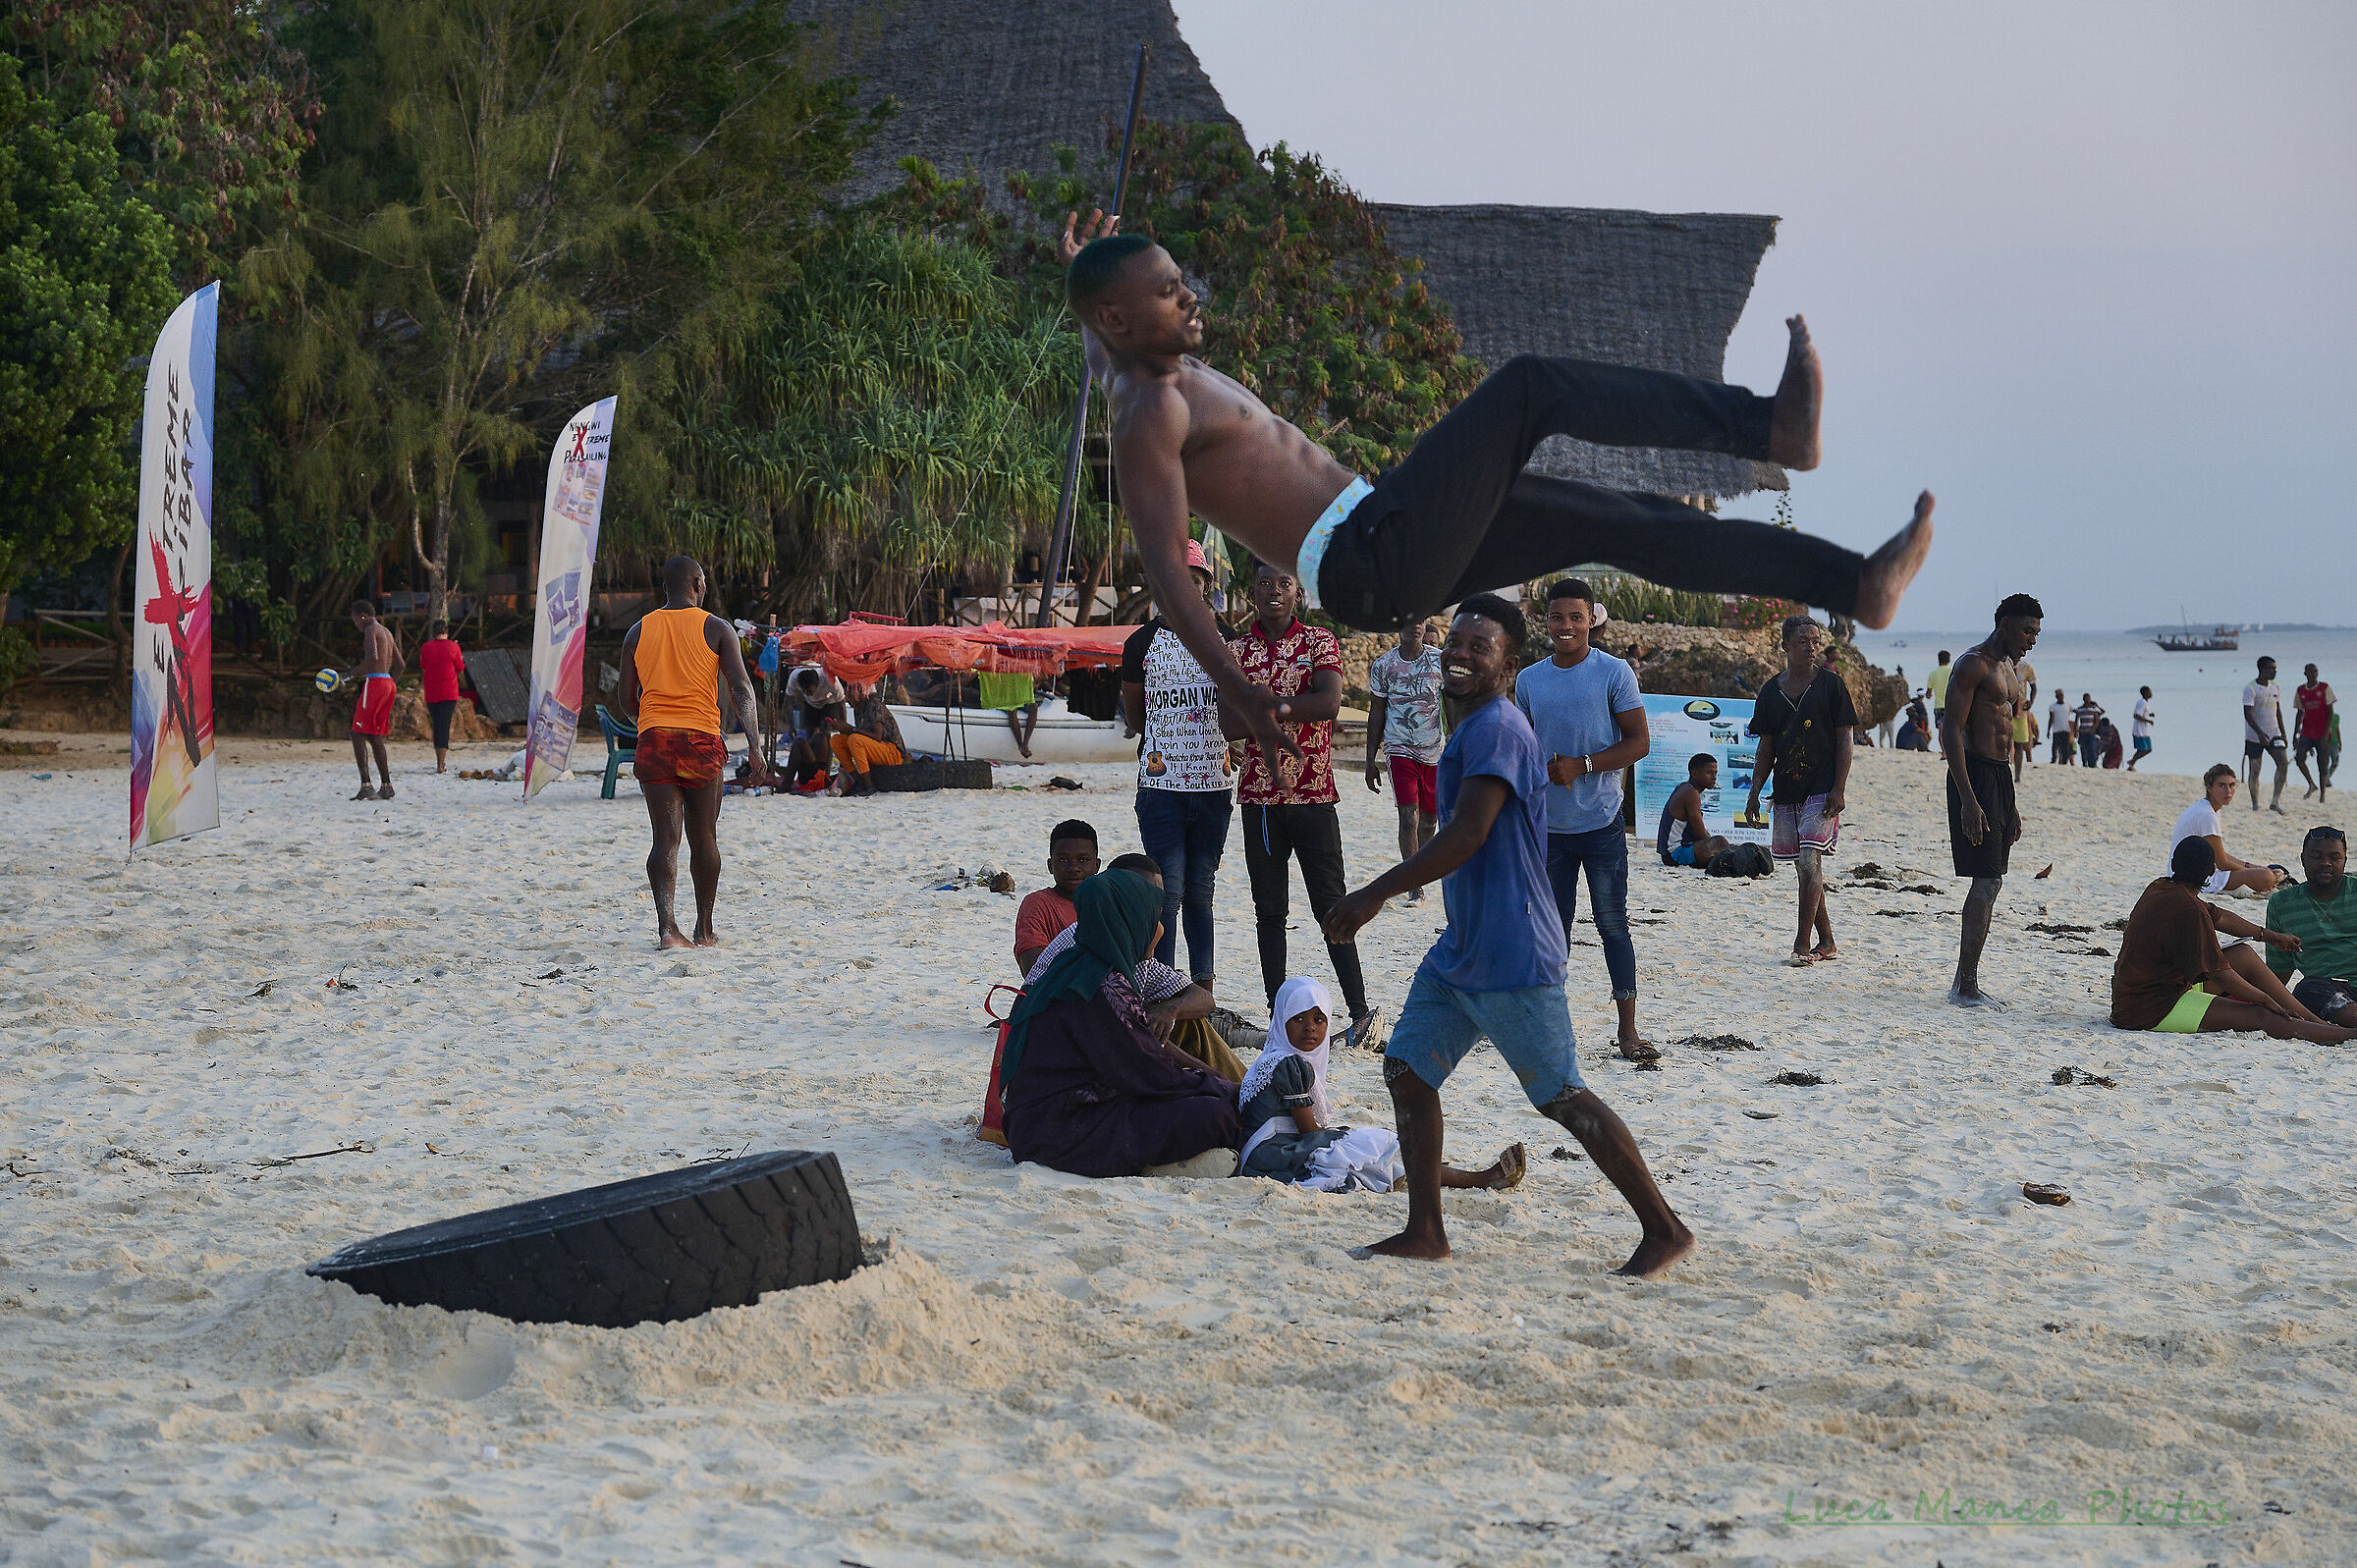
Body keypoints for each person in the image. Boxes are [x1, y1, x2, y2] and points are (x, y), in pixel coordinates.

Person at [1056, 212, 1935, 775]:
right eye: (1169, 292)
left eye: (1182, 281)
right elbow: (1169, 569)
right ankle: (1764, 431)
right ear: (1120, 317)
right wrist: (1236, 683)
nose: (1191, 297)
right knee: (1527, 387)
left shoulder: (1134, 358)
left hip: (1385, 525)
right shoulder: (1146, 412)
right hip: (1368, 558)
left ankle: (1854, 584)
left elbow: (1101, 335)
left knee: (1628, 521)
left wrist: (1083, 265)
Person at [1320, 595, 1692, 1276]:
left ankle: (1665, 1229)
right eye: (1454, 643)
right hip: (1462, 949)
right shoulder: (1474, 724)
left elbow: (1467, 833)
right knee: (1406, 1069)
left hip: (1515, 949)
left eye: (1478, 646)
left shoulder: (1496, 726)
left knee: (1561, 1095)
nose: (1460, 655)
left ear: (1508, 664)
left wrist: (1374, 892)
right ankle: (1427, 1230)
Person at [1223, 560, 1379, 1049]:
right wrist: (1291, 706)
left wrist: (1267, 710)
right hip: (1260, 799)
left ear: (1297, 591)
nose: (1273, 591)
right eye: (1264, 583)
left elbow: (1329, 703)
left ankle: (1358, 1011)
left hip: (1313, 795)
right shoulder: (1236, 649)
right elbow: (1228, 723)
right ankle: (1277, 1014)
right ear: (1252, 591)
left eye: (1283, 583)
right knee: (1269, 911)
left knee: (1331, 906)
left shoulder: (1318, 641)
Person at [998, 869, 1242, 1178]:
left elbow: (1147, 1053)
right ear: (1128, 922)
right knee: (1215, 1114)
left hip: (1038, 1123)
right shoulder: (1103, 986)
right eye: (1151, 919)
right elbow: (1153, 1072)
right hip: (1060, 1134)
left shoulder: (1077, 965)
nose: (1160, 931)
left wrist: (1216, 1080)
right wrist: (1227, 1090)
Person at [1515, 577, 1656, 1058]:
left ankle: (1627, 1031)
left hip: (1601, 824)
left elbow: (1640, 742)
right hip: (1548, 829)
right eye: (1558, 617)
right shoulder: (1529, 680)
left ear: (1592, 619)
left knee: (1612, 923)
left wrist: (1584, 765)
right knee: (1553, 932)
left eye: (1576, 617)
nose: (1566, 626)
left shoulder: (1614, 672)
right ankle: (1550, 1030)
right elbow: (1523, 748)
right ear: (1546, 620)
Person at [1238, 976, 1523, 1192]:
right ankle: (1480, 1179)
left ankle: (1453, 1176)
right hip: (1274, 1156)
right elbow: (1310, 1132)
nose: (1310, 1027)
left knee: (1377, 1152)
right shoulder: (1289, 1065)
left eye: (1318, 1019)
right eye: (1298, 1019)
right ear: (1281, 1021)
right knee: (1377, 1145)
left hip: (1277, 1150)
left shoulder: (1278, 1058)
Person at [616, 555, 767, 948]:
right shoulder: (717, 628)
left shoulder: (637, 630)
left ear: (665, 587)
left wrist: (649, 723)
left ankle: (667, 929)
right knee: (705, 838)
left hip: (654, 740)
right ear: (698, 584)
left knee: (664, 839)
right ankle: (704, 929)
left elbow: (625, 699)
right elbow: (742, 689)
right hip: (701, 742)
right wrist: (754, 744)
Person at [1121, 539, 1234, 991]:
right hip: (1161, 788)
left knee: (1201, 894)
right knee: (1166, 895)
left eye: (1194, 579)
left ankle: (1202, 991)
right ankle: (1164, 988)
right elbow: (1135, 717)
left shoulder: (1224, 640)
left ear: (1205, 586)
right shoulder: (1140, 644)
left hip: (1213, 785)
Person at [2110, 838, 2354, 1043]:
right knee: (2262, 1016)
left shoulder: (2162, 887)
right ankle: (2347, 1034)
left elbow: (2221, 917)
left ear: (2174, 864)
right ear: (2211, 871)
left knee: (2243, 954)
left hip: (2148, 991)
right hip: (2151, 1009)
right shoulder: (2189, 909)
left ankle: (2316, 1021)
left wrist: (2271, 937)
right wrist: (2265, 999)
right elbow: (2220, 974)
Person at [1024, 853, 1242, 1081]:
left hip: (1096, 1054)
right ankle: (1247, 1095)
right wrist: (1212, 1076)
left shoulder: (1124, 941)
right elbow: (1133, 1038)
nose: (1153, 908)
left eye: (1157, 899)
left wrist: (1171, 1009)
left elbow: (1203, 999)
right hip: (1069, 1071)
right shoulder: (1092, 951)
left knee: (1187, 1021)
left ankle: (1248, 1091)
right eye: (1143, 896)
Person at [1942, 594, 2041, 1006]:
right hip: (1974, 776)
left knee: (1994, 879)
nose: (2030, 640)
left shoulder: (2010, 670)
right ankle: (1965, 985)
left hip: (2000, 779)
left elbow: (2008, 741)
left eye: (2035, 633)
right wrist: (1968, 799)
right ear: (2002, 623)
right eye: (2025, 631)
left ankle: (1968, 982)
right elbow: (1951, 733)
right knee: (1986, 881)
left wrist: (2012, 803)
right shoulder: (1973, 664)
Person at [1744, 615, 1858, 965]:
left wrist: (1839, 788)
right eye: (1803, 642)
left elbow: (1845, 740)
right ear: (1785, 646)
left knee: (1810, 861)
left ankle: (1801, 944)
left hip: (1823, 787)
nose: (1811, 648)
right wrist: (1754, 793)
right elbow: (1766, 748)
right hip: (1787, 789)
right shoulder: (1770, 691)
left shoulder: (1831, 685)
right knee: (1805, 869)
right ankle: (1827, 941)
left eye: (1815, 641)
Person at [1365, 615, 1448, 903]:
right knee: (1408, 816)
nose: (1416, 626)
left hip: (1434, 751)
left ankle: (1420, 870)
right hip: (1399, 748)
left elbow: (1453, 705)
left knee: (1429, 820)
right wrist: (1369, 759)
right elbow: (1376, 713)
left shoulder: (1440, 661)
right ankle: (1414, 883)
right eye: (1410, 620)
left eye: (1421, 620)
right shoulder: (1384, 666)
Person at [2265, 827, 2357, 1025]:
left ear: (2345, 860)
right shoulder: (2282, 903)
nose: (2326, 863)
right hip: (2324, 990)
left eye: (2334, 857)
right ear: (2303, 859)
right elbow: (2280, 969)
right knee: (2306, 991)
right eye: (2316, 856)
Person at [2168, 765, 2285, 894]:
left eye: (2232, 785)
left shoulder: (2208, 808)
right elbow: (2221, 862)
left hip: (2190, 872)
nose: (2228, 791)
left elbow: (2219, 854)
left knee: (2264, 872)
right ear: (2209, 787)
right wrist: (2255, 872)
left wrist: (2253, 867)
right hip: (2194, 878)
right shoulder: (2207, 814)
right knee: (2266, 877)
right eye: (2222, 785)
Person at [1014, 819, 1100, 974]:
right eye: (1063, 860)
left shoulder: (1107, 904)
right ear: (1050, 866)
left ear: (1097, 865)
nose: (1073, 868)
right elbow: (1035, 971)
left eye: (1083, 860)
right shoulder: (1037, 904)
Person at [346, 600, 403, 800]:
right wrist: (389, 684)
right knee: (374, 735)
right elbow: (401, 664)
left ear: (362, 615)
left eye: (355, 620)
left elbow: (371, 658)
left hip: (376, 683)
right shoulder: (386, 631)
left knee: (356, 733)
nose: (355, 625)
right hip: (388, 684)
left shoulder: (371, 630)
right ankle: (386, 785)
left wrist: (350, 674)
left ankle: (366, 785)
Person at [821, 682, 908, 796]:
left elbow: (877, 736)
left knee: (854, 739)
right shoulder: (858, 706)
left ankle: (869, 786)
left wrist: (850, 728)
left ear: (859, 693)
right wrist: (842, 727)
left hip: (892, 752)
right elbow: (861, 734)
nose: (847, 699)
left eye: (849, 695)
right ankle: (858, 781)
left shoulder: (873, 703)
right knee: (836, 740)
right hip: (876, 749)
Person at [1657, 753, 1730, 869]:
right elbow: (1700, 833)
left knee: (1721, 846)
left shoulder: (1685, 787)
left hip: (1673, 852)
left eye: (1715, 773)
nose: (1714, 777)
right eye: (1709, 772)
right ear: (1694, 774)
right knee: (1720, 843)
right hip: (1674, 854)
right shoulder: (1690, 793)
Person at [417, 620, 468, 774]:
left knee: (437, 725)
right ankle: (441, 763)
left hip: (432, 692)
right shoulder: (453, 647)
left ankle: (439, 761)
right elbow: (460, 668)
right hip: (449, 692)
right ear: (447, 631)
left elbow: (424, 665)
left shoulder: (426, 647)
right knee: (444, 725)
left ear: (433, 633)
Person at [2244, 657, 2289, 814]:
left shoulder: (2276, 687)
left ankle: (2275, 801)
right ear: (2261, 669)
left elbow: (2278, 711)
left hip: (2274, 733)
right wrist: (2260, 734)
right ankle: (2255, 804)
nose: (2274, 671)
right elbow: (2248, 715)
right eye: (2271, 668)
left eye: (2275, 668)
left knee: (2283, 763)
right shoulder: (2250, 689)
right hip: (2254, 736)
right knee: (2255, 770)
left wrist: (2283, 733)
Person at [2294, 664, 2335, 802]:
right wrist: (2295, 734)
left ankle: (2323, 794)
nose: (2313, 673)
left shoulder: (2324, 688)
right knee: (2299, 757)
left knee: (2322, 763)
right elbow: (2299, 713)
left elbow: (2330, 711)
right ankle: (2311, 784)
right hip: (2307, 731)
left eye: (2316, 671)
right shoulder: (2301, 690)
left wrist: (2326, 732)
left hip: (2322, 732)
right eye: (2310, 671)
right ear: (2305, 673)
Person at [979, 670, 1040, 758]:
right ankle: (1021, 744)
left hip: (1020, 696)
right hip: (1003, 697)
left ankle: (1025, 743)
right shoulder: (998, 666)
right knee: (1012, 709)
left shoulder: (1020, 665)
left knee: (1034, 707)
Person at [1926, 650, 1953, 752]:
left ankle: (1944, 753)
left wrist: (1929, 695)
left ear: (1938, 660)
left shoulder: (1933, 674)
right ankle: (1953, 751)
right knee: (1954, 730)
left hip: (1938, 706)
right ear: (1949, 660)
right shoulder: (1953, 672)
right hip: (1952, 704)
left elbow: (1928, 694)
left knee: (1942, 732)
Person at [2073, 692, 2106, 769]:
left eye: (2089, 698)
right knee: (2083, 748)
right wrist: (2076, 731)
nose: (2087, 700)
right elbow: (2076, 721)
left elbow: (2097, 720)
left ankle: (2092, 764)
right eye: (2086, 698)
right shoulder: (2080, 709)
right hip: (2082, 731)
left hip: (2090, 732)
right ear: (2083, 699)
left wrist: (2093, 729)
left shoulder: (2093, 709)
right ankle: (2084, 763)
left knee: (2091, 748)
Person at [2129, 685, 2157, 771]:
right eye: (2149, 691)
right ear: (2145, 693)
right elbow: (2136, 715)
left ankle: (2131, 765)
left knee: (2142, 749)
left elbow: (2141, 713)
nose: (2151, 693)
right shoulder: (2142, 703)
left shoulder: (2144, 702)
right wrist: (2148, 721)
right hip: (2140, 730)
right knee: (2146, 749)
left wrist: (2149, 714)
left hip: (2143, 730)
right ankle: (2132, 761)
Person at [2048, 690, 2075, 765]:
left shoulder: (2068, 705)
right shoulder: (2053, 706)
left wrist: (2074, 728)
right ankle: (2053, 759)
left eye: (2061, 695)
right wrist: (2048, 730)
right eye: (2059, 695)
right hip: (2056, 729)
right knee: (2055, 746)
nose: (2060, 696)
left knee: (2065, 747)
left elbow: (2075, 712)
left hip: (2066, 729)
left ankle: (2064, 761)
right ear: (2056, 696)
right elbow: (2051, 718)